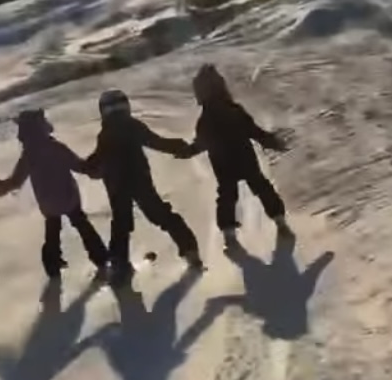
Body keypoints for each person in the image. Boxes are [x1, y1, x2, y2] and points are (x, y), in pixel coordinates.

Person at [84, 89, 203, 283]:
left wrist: (88, 167)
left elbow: (98, 159)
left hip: (117, 185)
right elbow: (155, 142)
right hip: (138, 180)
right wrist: (179, 146)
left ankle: (120, 265)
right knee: (159, 214)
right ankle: (190, 250)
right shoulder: (131, 126)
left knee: (121, 224)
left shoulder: (106, 134)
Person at [177, 63, 292, 248]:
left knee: (227, 194)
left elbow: (201, 144)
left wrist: (187, 151)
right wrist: (272, 142)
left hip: (222, 163)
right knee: (261, 186)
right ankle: (279, 220)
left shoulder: (205, 119)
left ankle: (228, 232)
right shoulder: (234, 110)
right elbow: (253, 131)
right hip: (244, 157)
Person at [0, 109, 109, 280]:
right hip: (69, 197)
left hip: (48, 203)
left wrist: (1, 187)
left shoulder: (28, 155)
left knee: (52, 232)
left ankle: (52, 266)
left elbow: (16, 181)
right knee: (82, 225)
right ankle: (101, 258)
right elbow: (79, 166)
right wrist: (95, 166)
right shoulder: (56, 148)